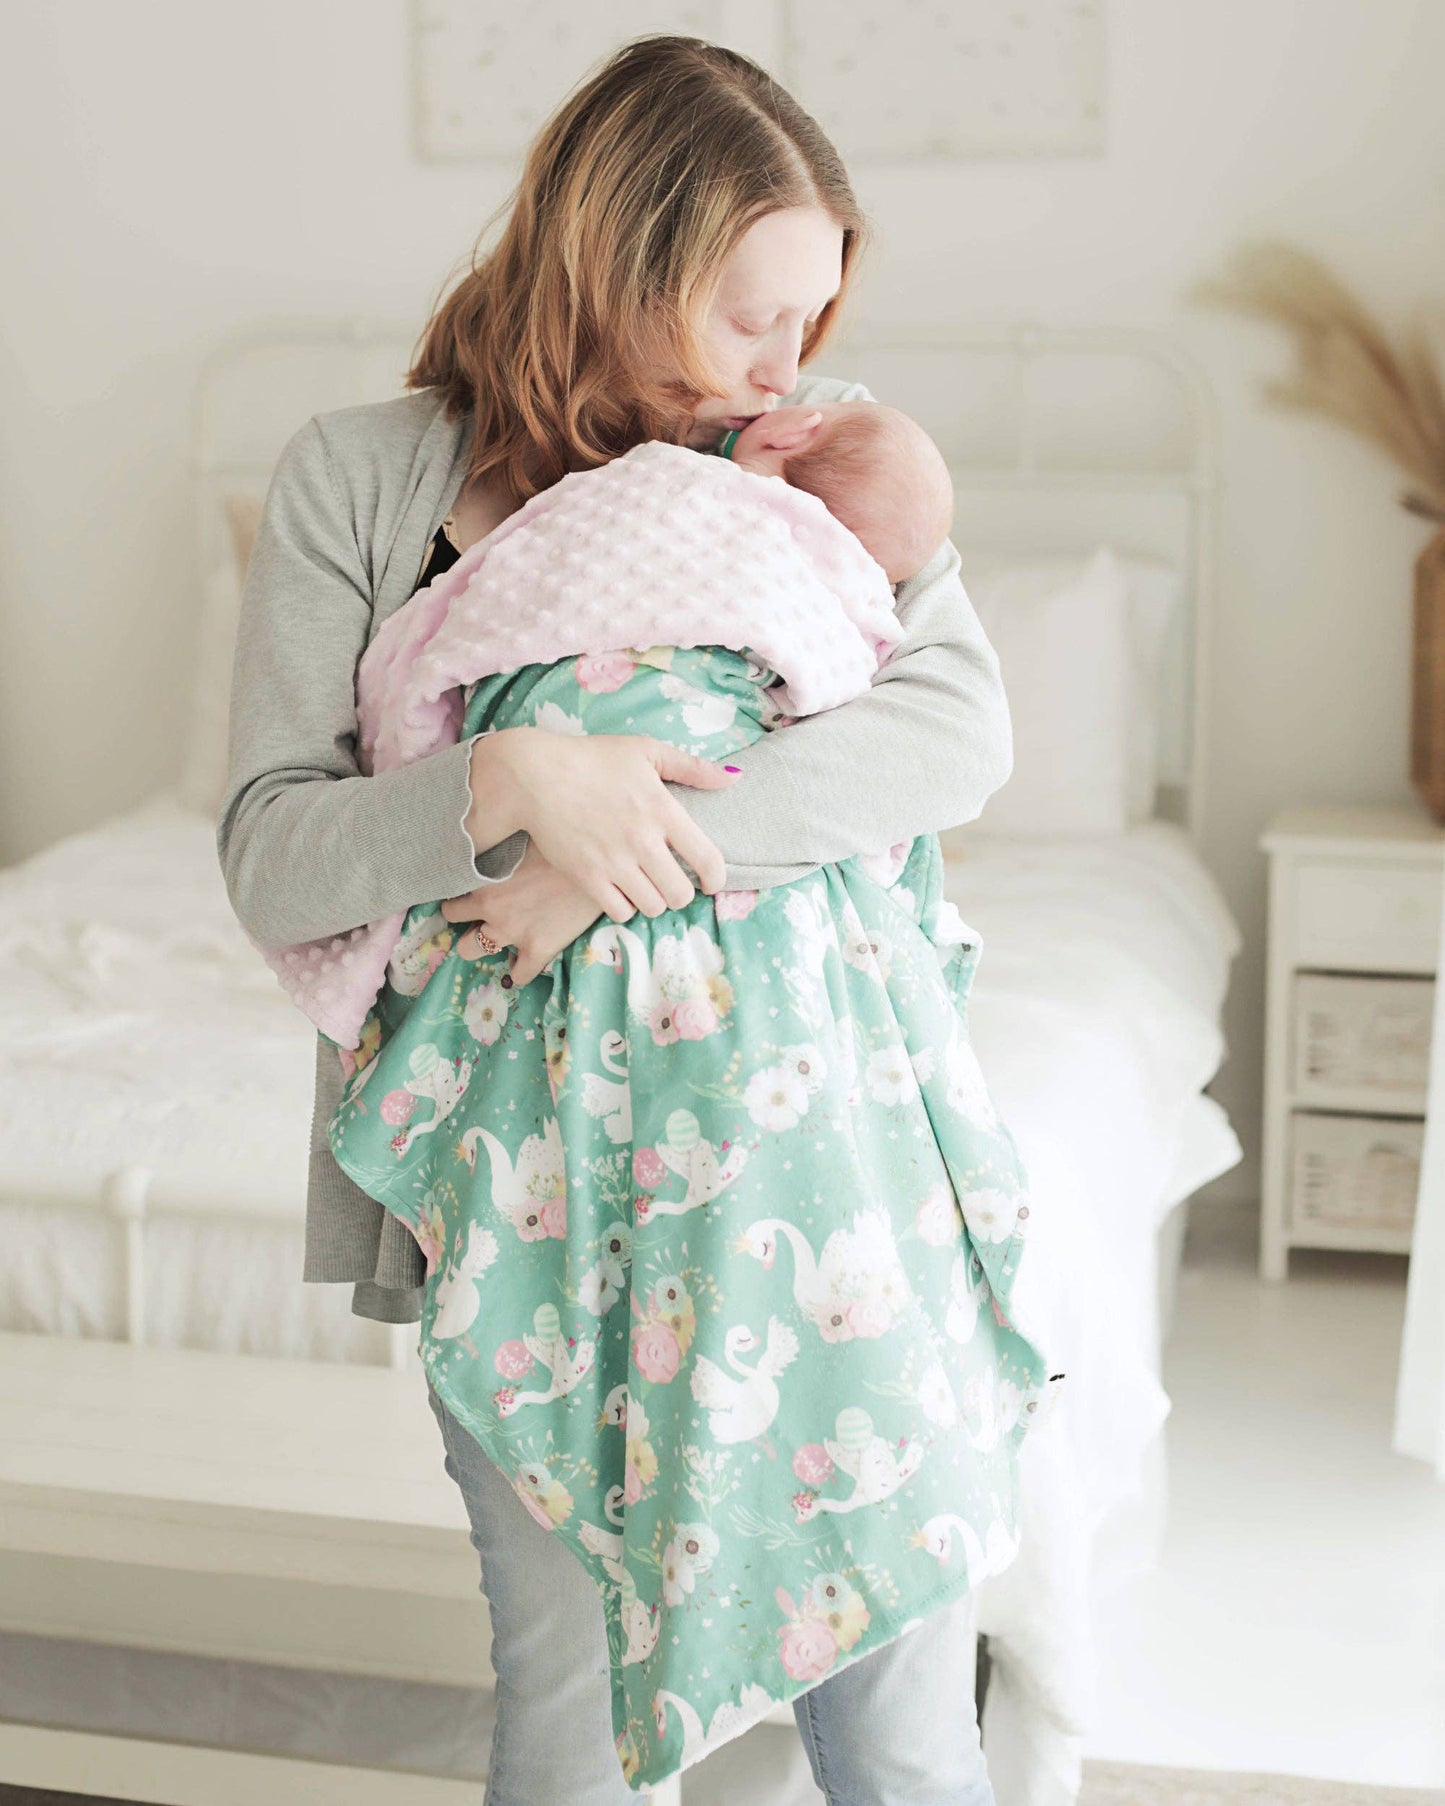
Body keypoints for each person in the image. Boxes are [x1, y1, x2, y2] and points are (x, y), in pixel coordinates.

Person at [217, 32, 1019, 1806]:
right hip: (521, 1192)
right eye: (750, 315)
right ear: (615, 260)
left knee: (897, 1719)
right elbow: (275, 851)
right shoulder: (361, 479)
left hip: (826, 1178)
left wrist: (620, 839)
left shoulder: (815, 471)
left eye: (812, 316)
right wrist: (508, 786)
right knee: (569, 1704)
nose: (788, 363)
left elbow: (956, 729)